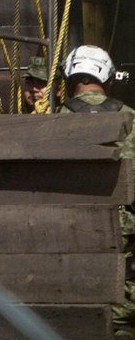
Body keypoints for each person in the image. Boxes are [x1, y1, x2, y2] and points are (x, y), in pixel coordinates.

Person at [57, 45, 135, 337]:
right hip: (124, 252)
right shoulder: (132, 119)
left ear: (68, 80)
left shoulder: (50, 121)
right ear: (109, 80)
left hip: (65, 251)